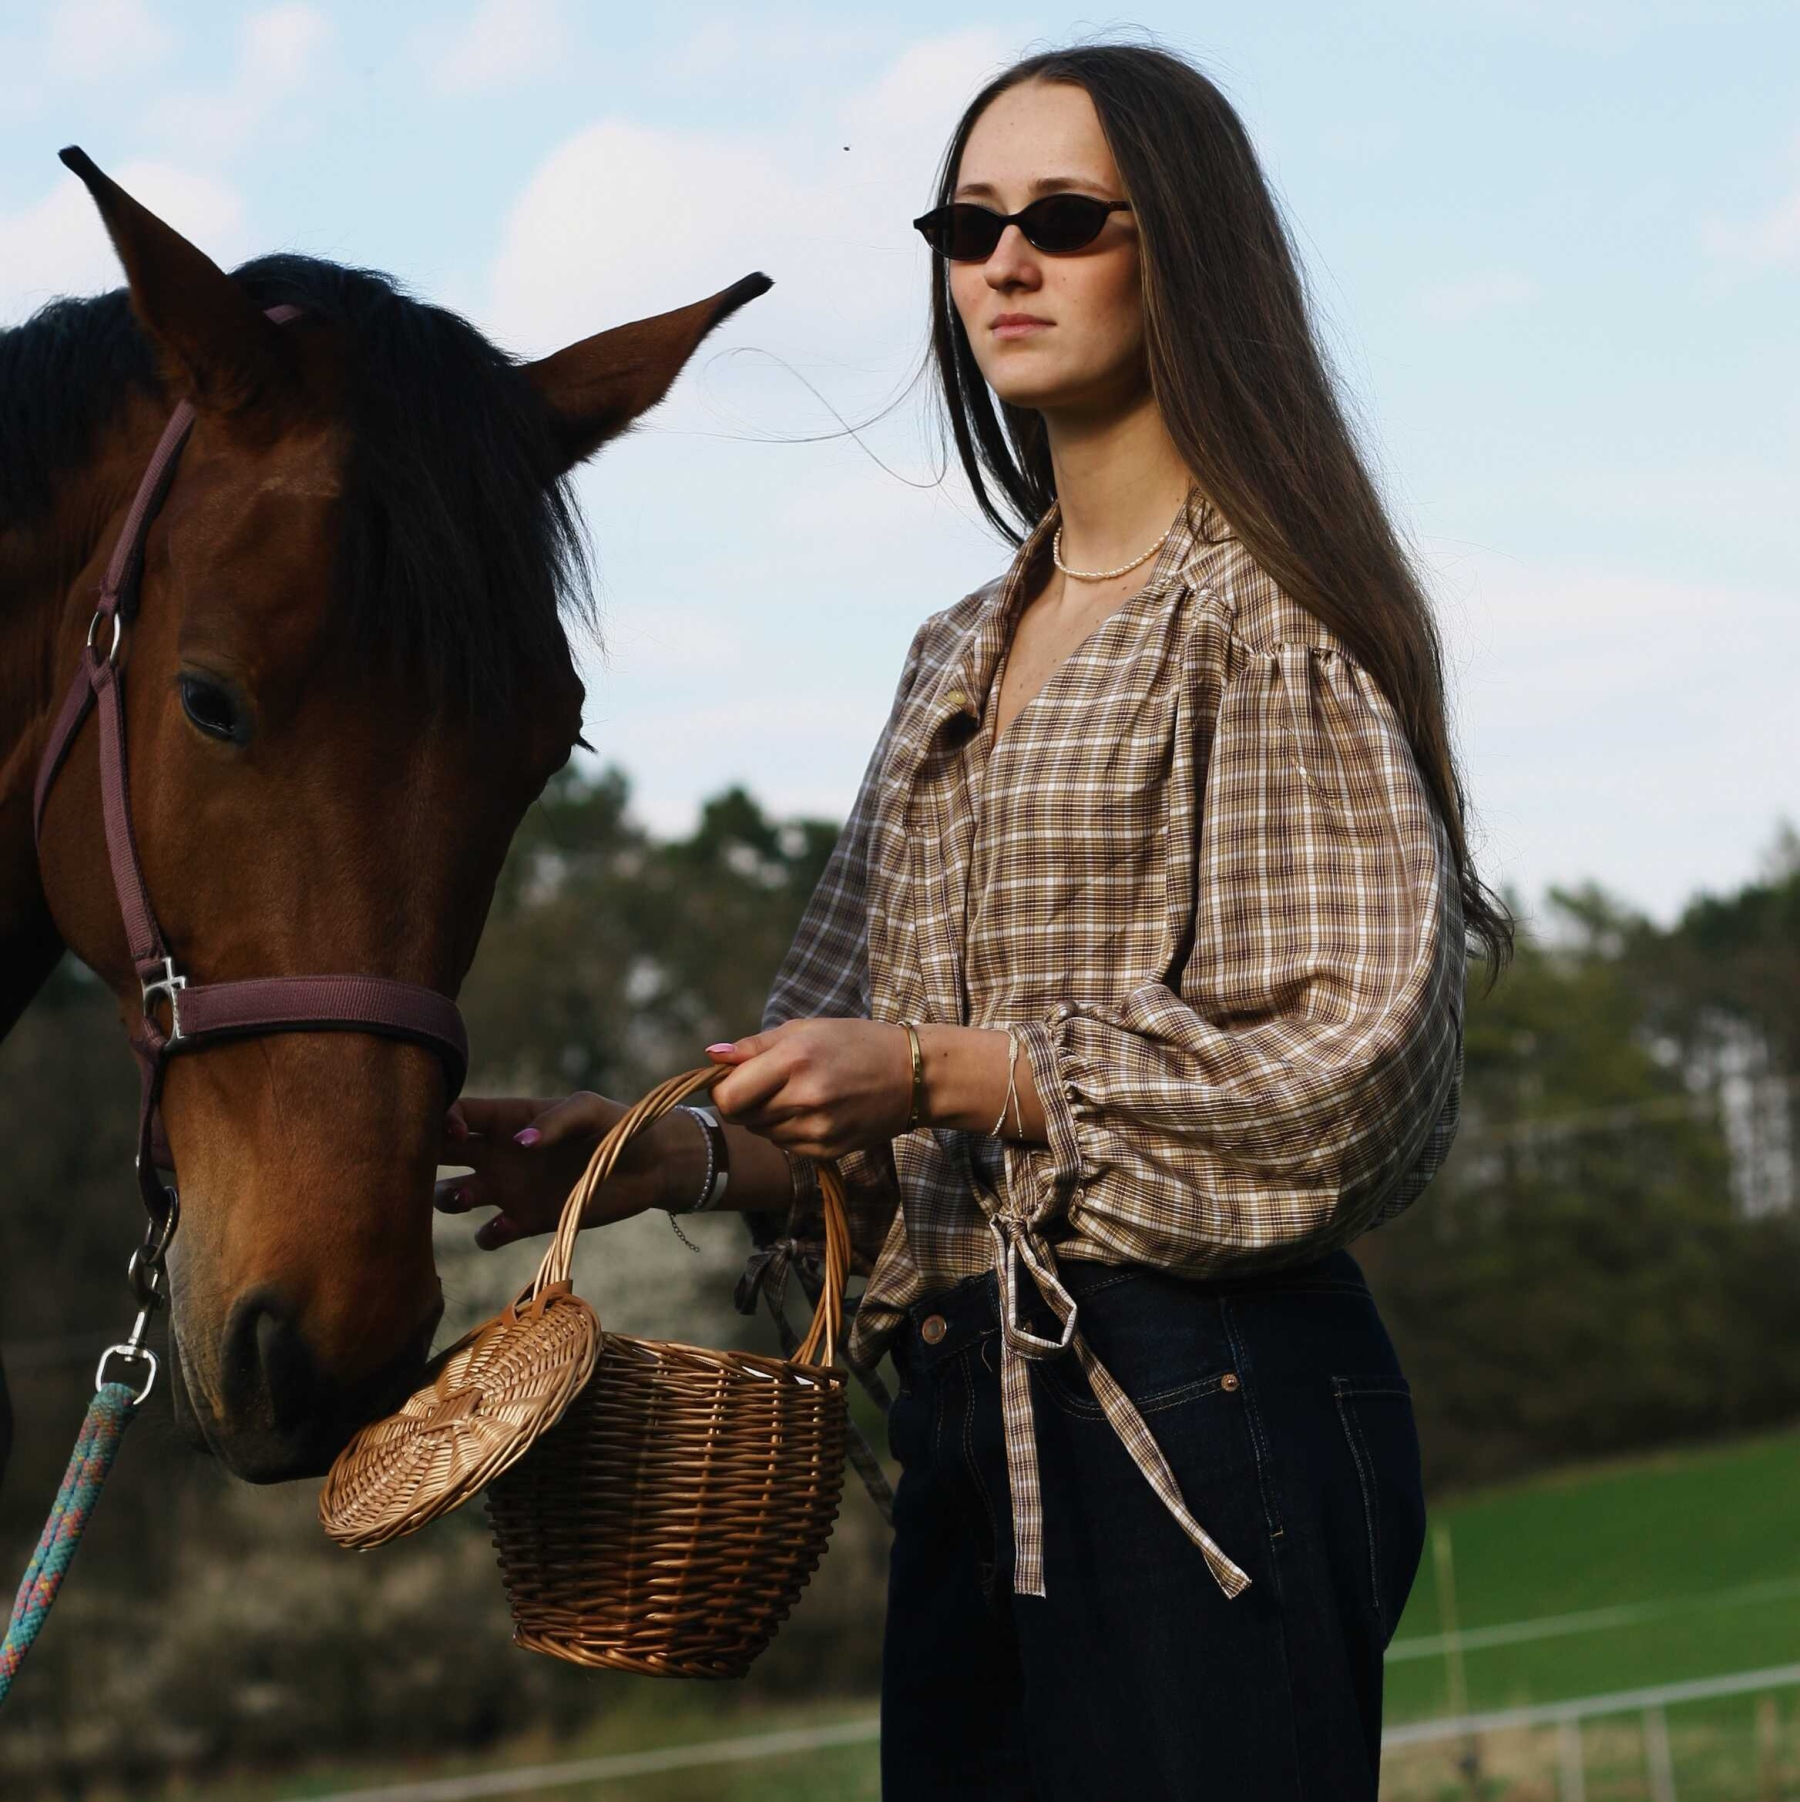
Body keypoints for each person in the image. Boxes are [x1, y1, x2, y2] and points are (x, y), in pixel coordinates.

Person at [436, 41, 1511, 1801]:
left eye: (1066, 219)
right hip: (966, 1435)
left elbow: (1356, 1068)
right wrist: (674, 1160)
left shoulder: (1266, 620)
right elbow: (871, 1111)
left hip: (1203, 1410)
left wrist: (943, 1066)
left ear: (1189, 254)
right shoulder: (954, 655)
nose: (1004, 261)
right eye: (968, 221)